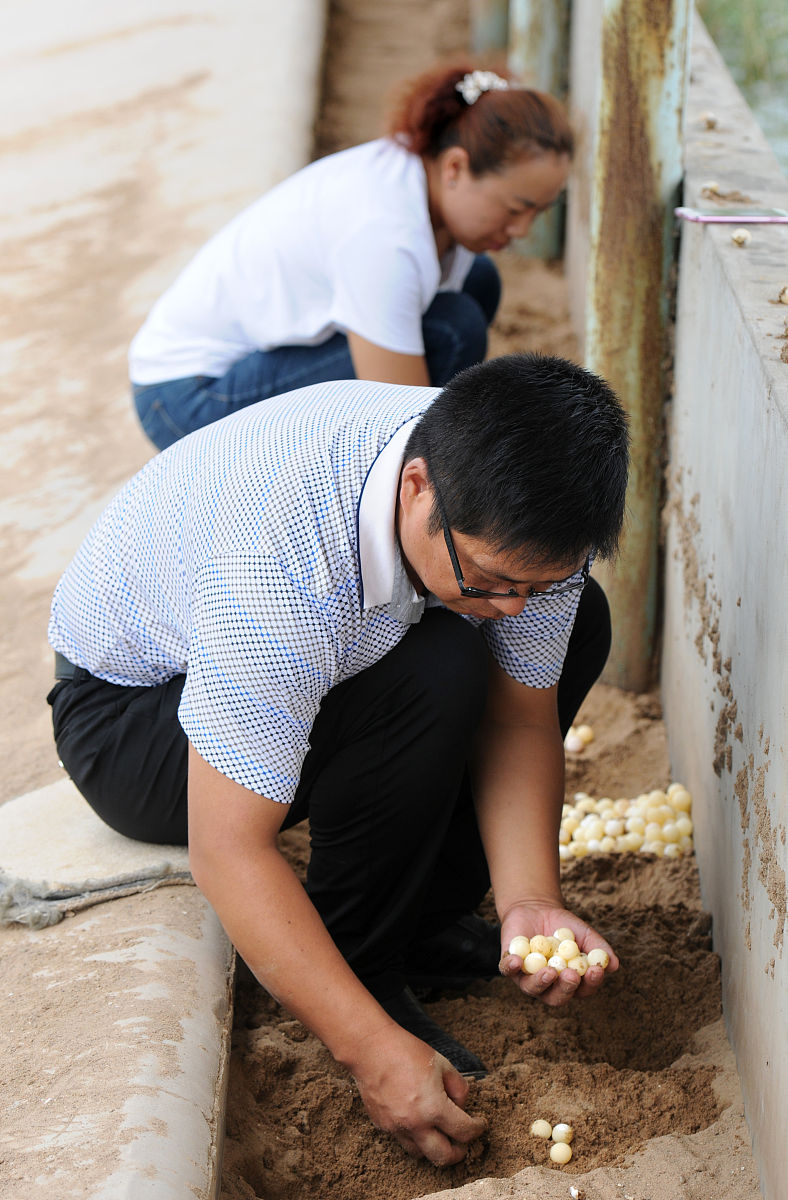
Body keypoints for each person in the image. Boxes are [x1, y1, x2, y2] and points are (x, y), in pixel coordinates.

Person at [49, 353, 629, 1166]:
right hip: (129, 720)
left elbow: (518, 718)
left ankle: (426, 919)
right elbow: (228, 847)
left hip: (287, 655)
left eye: (535, 586)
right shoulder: (283, 567)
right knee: (435, 667)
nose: (513, 607)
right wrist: (368, 1049)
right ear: (418, 488)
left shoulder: (519, 487)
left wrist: (529, 899)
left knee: (564, 631)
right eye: (495, 580)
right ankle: (364, 965)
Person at [129, 66, 572, 449]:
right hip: (184, 400)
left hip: (232, 365)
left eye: (540, 211)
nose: (522, 231)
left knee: (477, 279)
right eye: (516, 208)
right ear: (455, 167)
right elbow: (397, 415)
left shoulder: (419, 176)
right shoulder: (384, 234)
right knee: (452, 331)